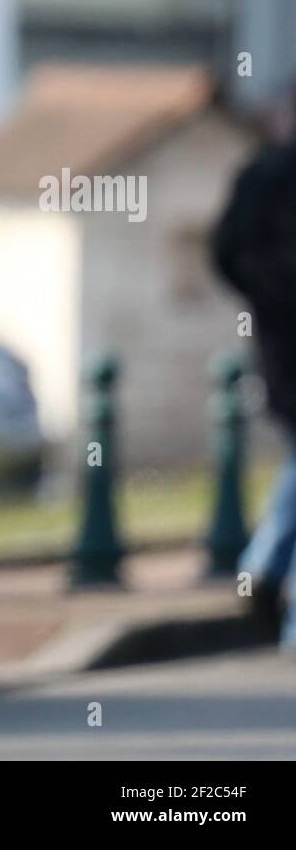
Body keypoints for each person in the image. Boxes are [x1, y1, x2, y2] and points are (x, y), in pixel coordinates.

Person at [211, 103, 296, 650]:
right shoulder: (266, 176)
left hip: (277, 338)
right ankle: (264, 565)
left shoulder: (260, 174)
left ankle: (264, 566)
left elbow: (225, 253)